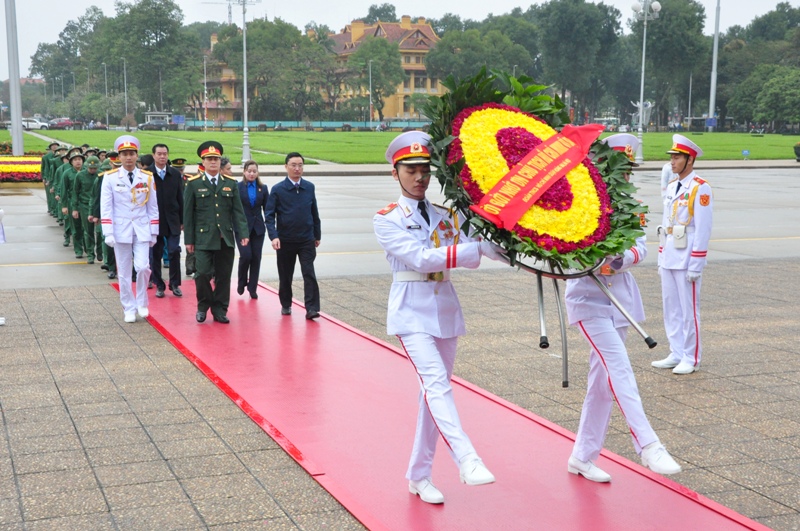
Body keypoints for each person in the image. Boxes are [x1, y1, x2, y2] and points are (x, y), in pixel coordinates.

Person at [373, 131, 506, 505]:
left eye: (425, 170)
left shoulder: (446, 214)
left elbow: (481, 245)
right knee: (436, 385)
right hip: (411, 310)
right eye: (411, 170)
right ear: (395, 173)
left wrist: (512, 247)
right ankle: (467, 458)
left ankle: (419, 475)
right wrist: (473, 249)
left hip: (444, 309)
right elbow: (420, 259)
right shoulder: (387, 219)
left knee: (433, 394)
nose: (420, 177)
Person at [565, 134, 681, 484]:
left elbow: (640, 248)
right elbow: (568, 254)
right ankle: (647, 444)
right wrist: (592, 256)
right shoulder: (579, 204)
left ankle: (582, 456)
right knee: (619, 368)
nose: (626, 176)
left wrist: (618, 258)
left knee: (602, 384)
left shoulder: (632, 205)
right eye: (620, 169)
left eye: (629, 170)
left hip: (621, 303)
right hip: (588, 299)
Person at [652, 134, 713, 375]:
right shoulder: (672, 186)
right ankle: (676, 351)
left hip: (687, 257)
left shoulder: (700, 187)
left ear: (690, 160)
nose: (672, 161)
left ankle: (691, 357)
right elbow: (666, 223)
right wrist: (661, 255)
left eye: (677, 157)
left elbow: (703, 228)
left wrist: (696, 263)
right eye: (672, 157)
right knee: (671, 309)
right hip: (670, 253)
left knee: (689, 311)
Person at [184, 141, 248, 324]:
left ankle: (220, 309)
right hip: (203, 238)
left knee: (223, 276)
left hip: (224, 238)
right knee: (202, 273)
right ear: (203, 162)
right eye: (209, 159)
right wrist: (188, 240)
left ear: (220, 162)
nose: (213, 162)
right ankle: (203, 306)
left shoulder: (230, 183)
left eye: (216, 159)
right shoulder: (194, 184)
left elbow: (238, 211)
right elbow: (188, 214)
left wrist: (243, 233)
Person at [100, 135, 159, 323]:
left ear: (137, 156)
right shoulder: (110, 178)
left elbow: (153, 206)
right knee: (124, 272)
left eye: (132, 154)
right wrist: (108, 232)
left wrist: (154, 231)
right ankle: (128, 307)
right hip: (120, 229)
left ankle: (142, 302)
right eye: (124, 154)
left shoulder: (147, 177)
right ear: (119, 156)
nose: (128, 158)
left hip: (141, 228)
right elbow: (106, 206)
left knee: (142, 267)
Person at [265, 152, 321, 319]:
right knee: (285, 275)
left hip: (306, 239)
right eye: (293, 165)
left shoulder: (309, 187)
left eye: (300, 165)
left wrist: (317, 234)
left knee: (309, 273)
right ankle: (286, 303)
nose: (297, 168)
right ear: (286, 167)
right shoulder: (278, 190)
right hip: (285, 240)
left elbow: (314, 212)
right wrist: (274, 236)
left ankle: (311, 308)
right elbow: (269, 216)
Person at [148, 143, 184, 298]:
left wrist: (182, 220)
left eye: (165, 154)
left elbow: (180, 197)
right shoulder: (147, 174)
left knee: (174, 250)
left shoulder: (175, 174)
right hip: (154, 221)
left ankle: (175, 284)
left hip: (173, 219)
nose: (162, 157)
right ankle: (159, 285)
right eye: (159, 154)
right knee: (155, 254)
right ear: (154, 155)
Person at [236, 160, 269, 299]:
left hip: (258, 229)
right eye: (249, 171)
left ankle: (252, 287)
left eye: (254, 171)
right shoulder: (238, 187)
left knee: (256, 257)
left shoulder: (263, 188)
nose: (251, 174)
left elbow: (267, 210)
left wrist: (271, 227)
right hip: (242, 228)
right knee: (246, 256)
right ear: (244, 172)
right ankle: (241, 282)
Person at [73, 155, 101, 264]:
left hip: (98, 205)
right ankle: (90, 254)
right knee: (88, 231)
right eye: (90, 168)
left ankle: (100, 252)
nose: (93, 170)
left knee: (100, 231)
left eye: (95, 168)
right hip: (84, 205)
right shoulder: (80, 175)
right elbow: (75, 192)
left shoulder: (101, 175)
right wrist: (75, 208)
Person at [61, 151, 86, 258]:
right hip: (73, 203)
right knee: (76, 229)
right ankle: (78, 250)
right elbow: (63, 190)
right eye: (75, 160)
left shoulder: (87, 171)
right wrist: (64, 206)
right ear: (71, 162)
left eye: (79, 159)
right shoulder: (67, 173)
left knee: (86, 228)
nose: (78, 161)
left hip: (85, 203)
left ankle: (88, 248)